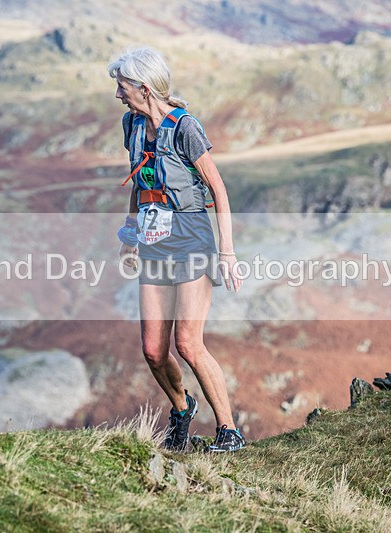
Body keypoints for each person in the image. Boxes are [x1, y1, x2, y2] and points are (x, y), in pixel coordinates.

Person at [109, 47, 245, 452]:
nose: (118, 94)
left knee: (188, 343)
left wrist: (227, 253)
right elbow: (141, 181)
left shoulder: (185, 127)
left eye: (122, 86)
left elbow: (218, 189)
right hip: (154, 245)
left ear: (144, 88)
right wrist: (131, 235)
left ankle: (228, 432)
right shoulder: (131, 124)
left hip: (191, 242)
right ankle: (183, 409)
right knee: (153, 350)